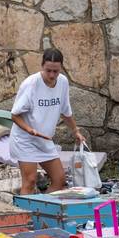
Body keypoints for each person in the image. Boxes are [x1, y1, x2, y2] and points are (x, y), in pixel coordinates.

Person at [10, 48, 85, 195]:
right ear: (42, 66)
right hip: (25, 139)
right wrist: (30, 130)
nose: (51, 75)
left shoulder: (63, 82)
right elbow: (14, 115)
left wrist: (76, 131)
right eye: (48, 70)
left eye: (55, 71)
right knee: (30, 181)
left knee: (59, 179)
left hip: (45, 139)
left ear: (61, 68)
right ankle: (26, 216)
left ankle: (44, 210)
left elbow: (66, 111)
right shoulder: (31, 84)